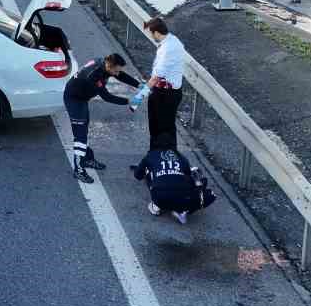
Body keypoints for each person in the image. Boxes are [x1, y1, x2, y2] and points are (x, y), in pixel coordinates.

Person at [64, 53, 140, 183]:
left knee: (84, 131)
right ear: (109, 66)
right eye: (115, 71)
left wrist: (139, 85)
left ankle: (87, 159)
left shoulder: (106, 64)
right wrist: (128, 101)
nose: (116, 74)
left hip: (82, 99)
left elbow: (121, 75)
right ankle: (78, 170)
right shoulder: (94, 74)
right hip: (74, 100)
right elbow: (107, 97)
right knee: (80, 135)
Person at [136, 17, 186, 153]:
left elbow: (156, 77)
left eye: (151, 33)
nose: (151, 36)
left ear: (156, 32)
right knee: (162, 127)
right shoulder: (172, 41)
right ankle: (156, 158)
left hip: (165, 95)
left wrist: (140, 96)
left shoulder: (168, 49)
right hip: (166, 92)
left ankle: (162, 160)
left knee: (161, 128)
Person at [132, 147, 216, 226]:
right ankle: (182, 209)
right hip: (183, 196)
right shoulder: (181, 157)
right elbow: (190, 173)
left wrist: (144, 168)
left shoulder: (151, 155)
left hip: (161, 195)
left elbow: (138, 175)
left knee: (152, 178)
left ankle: (157, 205)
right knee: (197, 185)